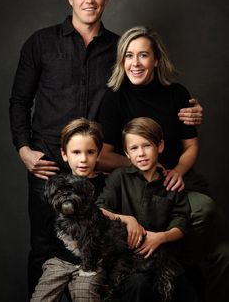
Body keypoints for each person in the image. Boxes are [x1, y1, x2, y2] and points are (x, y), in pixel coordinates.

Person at [9, 0, 203, 297]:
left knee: (101, 253)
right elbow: (19, 101)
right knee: (44, 250)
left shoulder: (119, 50)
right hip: (49, 166)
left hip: (100, 169)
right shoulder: (40, 43)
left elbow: (147, 95)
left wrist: (189, 110)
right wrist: (24, 149)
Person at [96, 25, 229, 302]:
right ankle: (175, 256)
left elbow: (191, 147)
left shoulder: (176, 93)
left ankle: (181, 259)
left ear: (156, 59)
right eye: (128, 56)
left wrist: (176, 171)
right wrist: (145, 165)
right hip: (141, 182)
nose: (135, 63)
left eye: (143, 55)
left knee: (217, 237)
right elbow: (104, 156)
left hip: (176, 179)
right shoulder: (115, 97)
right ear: (121, 60)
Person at [97, 117, 198, 302]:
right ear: (127, 153)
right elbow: (99, 210)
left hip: (162, 256)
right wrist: (128, 219)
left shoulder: (171, 182)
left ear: (160, 146)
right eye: (134, 148)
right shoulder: (119, 178)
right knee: (138, 285)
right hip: (127, 260)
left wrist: (160, 237)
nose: (141, 153)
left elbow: (182, 220)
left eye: (147, 146)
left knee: (189, 289)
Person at [31, 117, 106, 301]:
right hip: (60, 259)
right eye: (76, 152)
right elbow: (47, 233)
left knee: (84, 295)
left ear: (98, 153)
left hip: (94, 259)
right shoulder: (55, 187)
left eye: (90, 152)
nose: (83, 159)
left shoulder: (108, 184)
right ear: (64, 154)